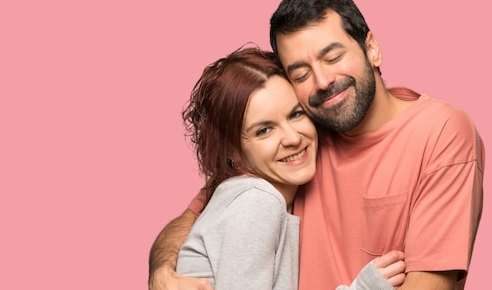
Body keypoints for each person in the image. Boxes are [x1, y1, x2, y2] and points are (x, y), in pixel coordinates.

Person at [149, 0, 485, 289]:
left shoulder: (439, 130)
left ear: (372, 48)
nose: (323, 81)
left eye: (333, 57)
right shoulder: (299, 134)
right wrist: (163, 270)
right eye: (301, 73)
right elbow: (196, 217)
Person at [171, 46, 406, 290]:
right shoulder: (256, 200)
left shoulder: (246, 196)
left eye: (295, 114)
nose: (292, 138)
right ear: (233, 150)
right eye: (264, 130)